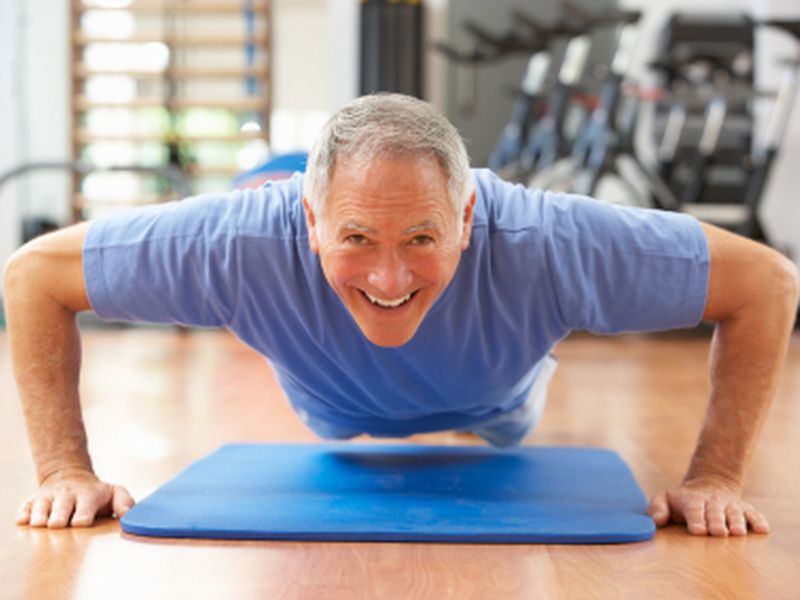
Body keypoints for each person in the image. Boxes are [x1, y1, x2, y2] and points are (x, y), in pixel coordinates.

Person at [4, 93, 798, 537]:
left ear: (468, 215)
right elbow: (35, 275)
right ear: (310, 221)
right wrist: (64, 470)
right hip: (332, 407)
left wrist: (715, 478)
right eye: (355, 236)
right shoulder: (236, 242)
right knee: (341, 420)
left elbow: (765, 283)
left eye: (422, 235)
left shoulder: (550, 241)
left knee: (505, 417)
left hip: (497, 399)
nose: (389, 274)